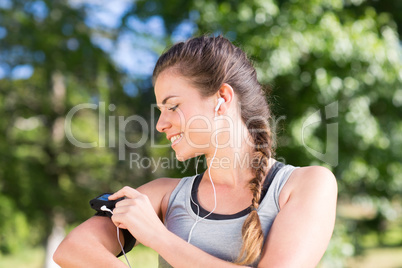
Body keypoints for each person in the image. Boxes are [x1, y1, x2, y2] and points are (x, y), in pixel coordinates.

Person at [53, 35, 337, 267]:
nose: (162, 124)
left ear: (221, 99)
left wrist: (158, 236)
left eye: (172, 106)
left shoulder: (307, 185)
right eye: (160, 110)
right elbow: (73, 249)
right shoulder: (164, 195)